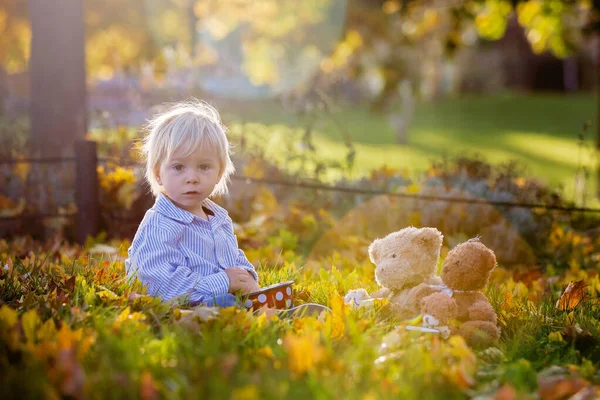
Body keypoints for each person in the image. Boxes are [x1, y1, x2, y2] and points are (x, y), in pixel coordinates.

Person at [125, 99, 261, 308]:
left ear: (219, 173)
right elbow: (160, 285)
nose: (192, 178)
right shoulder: (160, 224)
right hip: (181, 307)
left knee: (255, 299)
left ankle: (272, 311)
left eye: (204, 167)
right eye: (179, 167)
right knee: (226, 303)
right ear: (158, 174)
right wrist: (224, 281)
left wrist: (247, 278)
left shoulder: (218, 220)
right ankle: (248, 314)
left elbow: (232, 260)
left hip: (218, 297)